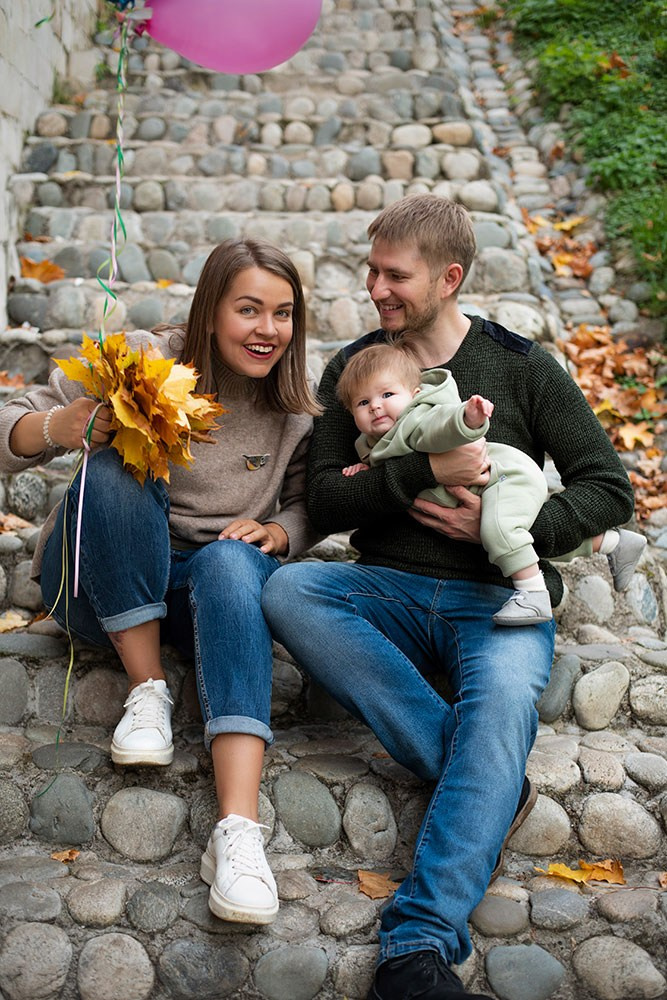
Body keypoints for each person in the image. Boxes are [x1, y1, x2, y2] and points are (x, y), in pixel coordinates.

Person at [261, 195, 637, 1000]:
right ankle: (488, 783)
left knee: (501, 704)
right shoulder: (357, 369)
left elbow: (610, 489)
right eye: (371, 270)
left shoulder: (521, 366)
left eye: (394, 275)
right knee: (292, 587)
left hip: (496, 597)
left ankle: (416, 945)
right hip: (384, 588)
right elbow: (325, 502)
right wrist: (421, 474)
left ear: (448, 277)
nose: (375, 288)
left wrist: (510, 532)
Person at [0, 238, 320, 928]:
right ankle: (146, 690)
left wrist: (285, 532)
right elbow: (7, 428)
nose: (267, 329)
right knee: (119, 465)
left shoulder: (294, 411)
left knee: (234, 561)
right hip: (98, 583)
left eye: (283, 314)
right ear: (209, 313)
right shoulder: (144, 360)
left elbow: (308, 500)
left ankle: (237, 835)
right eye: (248, 310)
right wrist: (70, 423)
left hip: (209, 597)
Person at [337, 341, 647, 625]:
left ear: (415, 396)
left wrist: (467, 419)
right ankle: (614, 543)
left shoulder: (417, 419)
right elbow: (371, 472)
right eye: (363, 403)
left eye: (387, 395)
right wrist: (364, 470)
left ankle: (532, 595)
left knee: (500, 530)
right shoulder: (372, 443)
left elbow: (441, 427)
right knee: (509, 537)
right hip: (482, 493)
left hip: (506, 476)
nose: (376, 406)